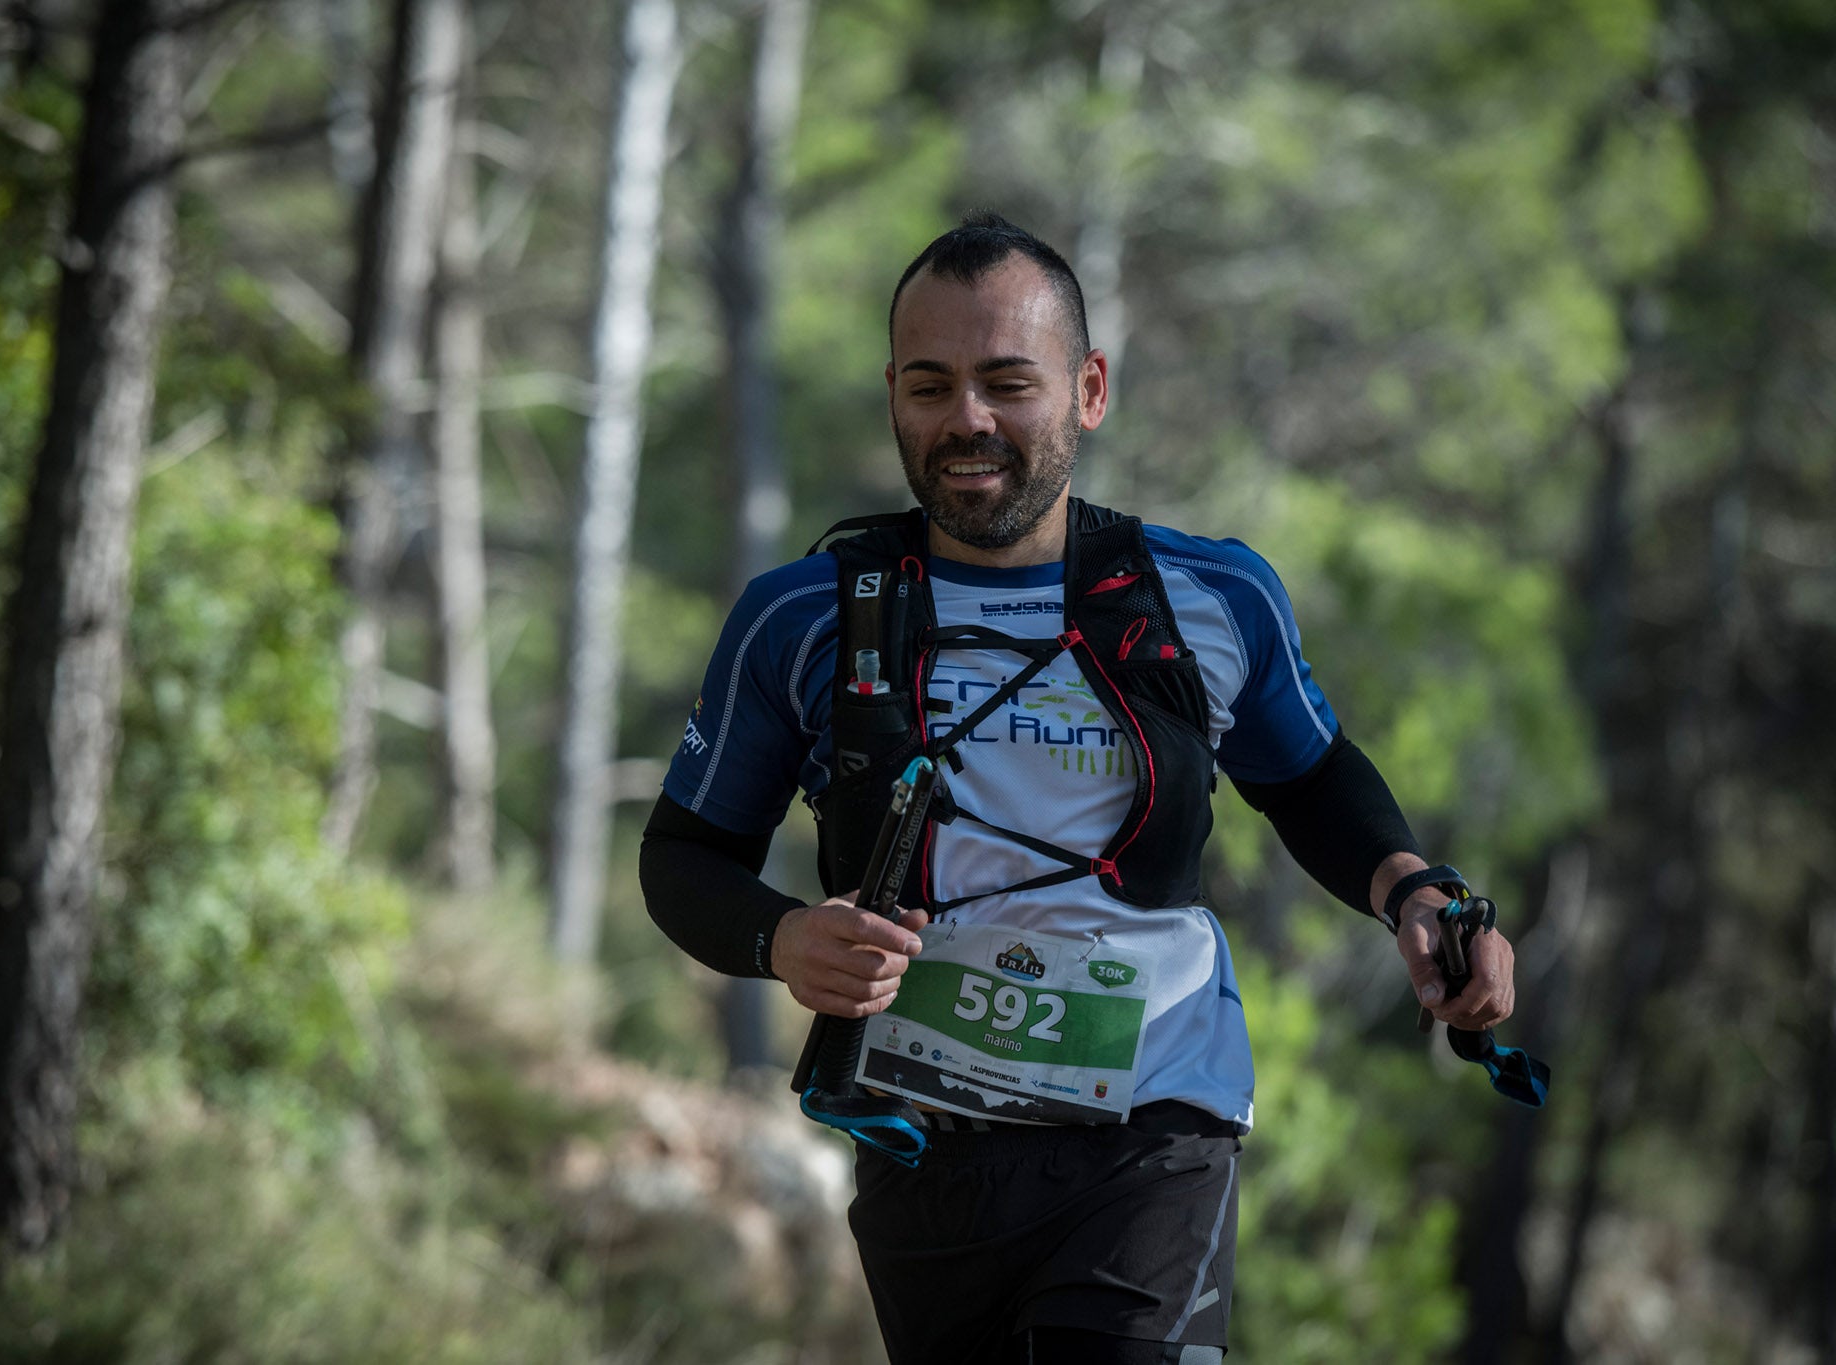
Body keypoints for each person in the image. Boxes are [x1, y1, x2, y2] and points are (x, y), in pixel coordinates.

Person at [638, 211, 1517, 1365]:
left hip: (1155, 1116)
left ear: (1088, 389)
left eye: (1009, 382)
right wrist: (782, 939)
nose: (968, 420)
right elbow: (682, 858)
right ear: (890, 396)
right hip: (923, 1143)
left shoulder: (1211, 596)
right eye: (929, 385)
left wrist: (1415, 893)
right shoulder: (804, 615)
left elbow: (1305, 775)